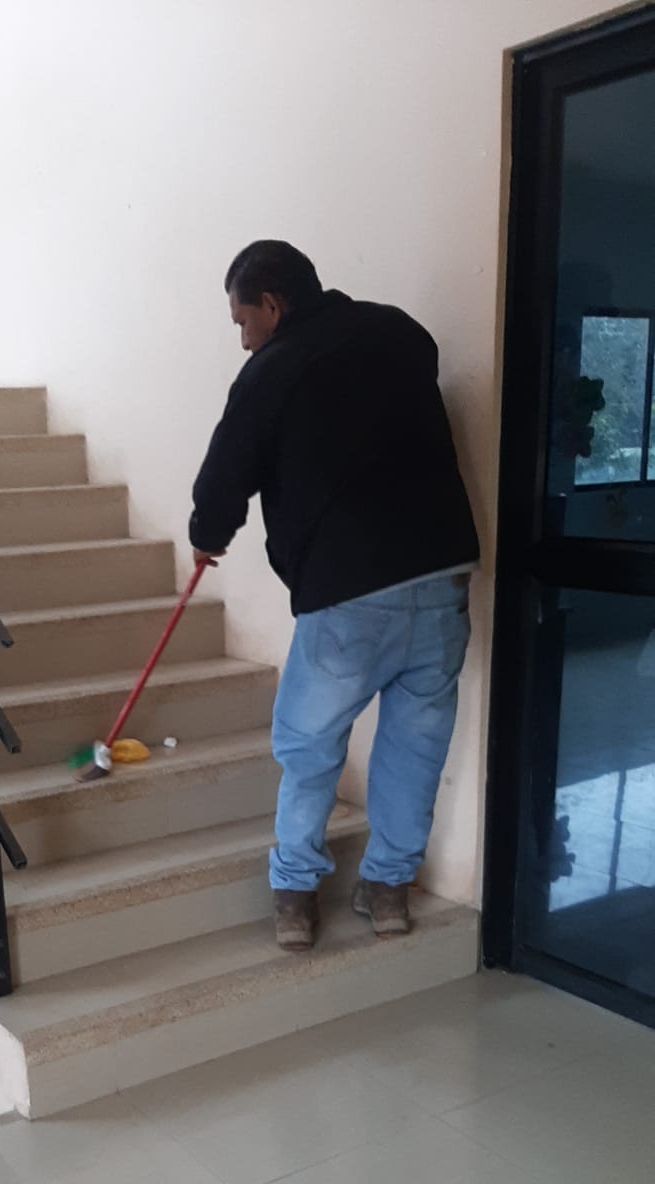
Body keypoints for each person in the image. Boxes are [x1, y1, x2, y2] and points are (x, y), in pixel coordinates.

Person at [190, 240, 479, 952]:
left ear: (271, 305)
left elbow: (227, 471)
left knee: (309, 745)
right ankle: (388, 893)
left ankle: (294, 897)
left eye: (242, 321)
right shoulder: (401, 332)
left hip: (350, 591)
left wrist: (207, 535)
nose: (243, 338)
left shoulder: (270, 370)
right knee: (415, 747)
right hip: (441, 571)